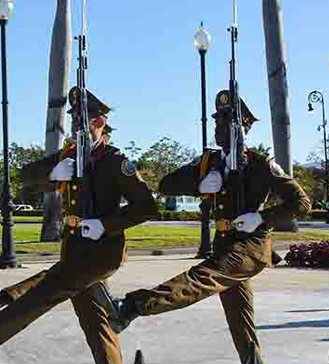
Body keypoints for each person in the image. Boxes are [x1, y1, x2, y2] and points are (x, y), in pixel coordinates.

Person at [0, 87, 156, 363]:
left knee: (45, 292)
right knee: (95, 324)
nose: (74, 126)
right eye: (73, 120)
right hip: (75, 249)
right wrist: (53, 173)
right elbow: (26, 176)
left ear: (98, 123)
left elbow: (148, 207)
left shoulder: (115, 161)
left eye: (80, 121)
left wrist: (105, 224)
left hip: (102, 253)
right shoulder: (72, 155)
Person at [93, 90, 311, 363]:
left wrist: (262, 218)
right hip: (225, 243)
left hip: (250, 246)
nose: (218, 128)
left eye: (226, 122)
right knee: (240, 319)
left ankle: (131, 307)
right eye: (217, 121)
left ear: (243, 127)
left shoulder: (260, 165)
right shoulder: (209, 162)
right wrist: (199, 184)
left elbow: (302, 202)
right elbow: (166, 185)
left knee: (200, 278)